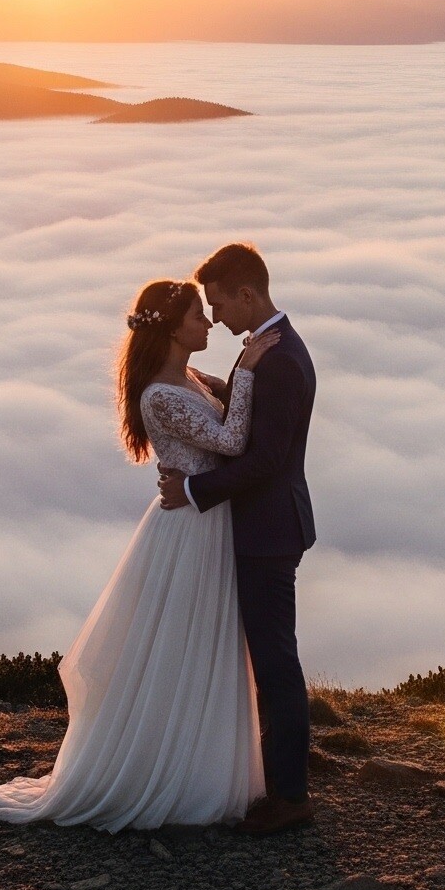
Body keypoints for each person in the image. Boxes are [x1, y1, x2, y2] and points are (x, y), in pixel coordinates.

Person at [0, 274, 284, 831]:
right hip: (191, 533)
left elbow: (219, 422)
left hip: (206, 522)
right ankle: (167, 768)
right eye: (197, 318)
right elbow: (230, 442)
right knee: (182, 644)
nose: (206, 324)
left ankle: (199, 759)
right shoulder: (160, 395)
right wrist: (245, 375)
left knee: (203, 644)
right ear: (174, 331)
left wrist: (233, 381)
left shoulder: (189, 378)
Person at [158, 242, 319, 836]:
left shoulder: (277, 359)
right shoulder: (267, 350)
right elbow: (246, 426)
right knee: (270, 657)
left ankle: (290, 797)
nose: (217, 316)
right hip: (269, 524)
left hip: (268, 528)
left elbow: (265, 461)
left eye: (220, 303)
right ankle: (281, 775)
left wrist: (194, 493)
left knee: (275, 661)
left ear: (248, 294)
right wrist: (199, 385)